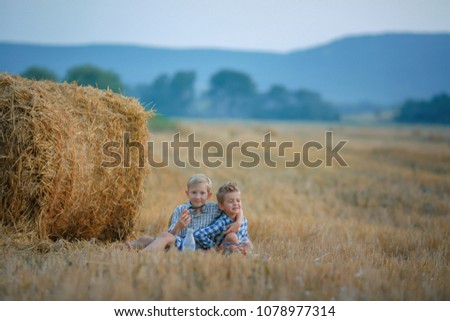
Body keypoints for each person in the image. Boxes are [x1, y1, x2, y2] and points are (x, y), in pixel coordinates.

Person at [125, 174, 243, 252]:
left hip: (200, 248)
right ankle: (126, 247)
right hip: (180, 244)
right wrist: (179, 226)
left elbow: (235, 208)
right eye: (194, 192)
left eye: (202, 193)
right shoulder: (180, 209)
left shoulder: (215, 208)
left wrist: (238, 222)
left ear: (209, 195)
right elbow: (172, 233)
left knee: (163, 237)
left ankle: (142, 255)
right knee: (146, 239)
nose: (198, 197)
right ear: (187, 193)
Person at [194, 182, 253, 255]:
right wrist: (215, 248)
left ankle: (246, 255)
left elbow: (244, 237)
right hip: (226, 250)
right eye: (231, 201)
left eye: (238, 200)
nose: (235, 203)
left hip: (240, 248)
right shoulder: (222, 223)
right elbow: (199, 235)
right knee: (232, 236)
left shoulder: (243, 220)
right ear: (221, 206)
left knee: (248, 243)